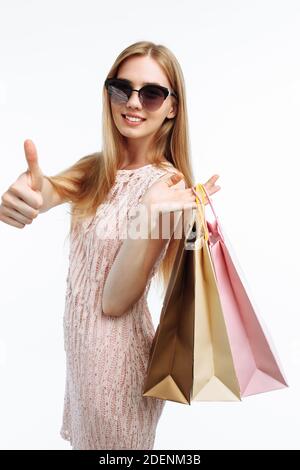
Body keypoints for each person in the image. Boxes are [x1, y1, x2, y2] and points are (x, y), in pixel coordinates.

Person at [0, 41, 221, 450]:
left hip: (115, 374)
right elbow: (45, 190)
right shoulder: (98, 169)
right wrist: (21, 195)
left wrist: (146, 215)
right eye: (123, 88)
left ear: (173, 107)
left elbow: (116, 301)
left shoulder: (166, 187)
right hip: (84, 367)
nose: (134, 102)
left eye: (151, 93)